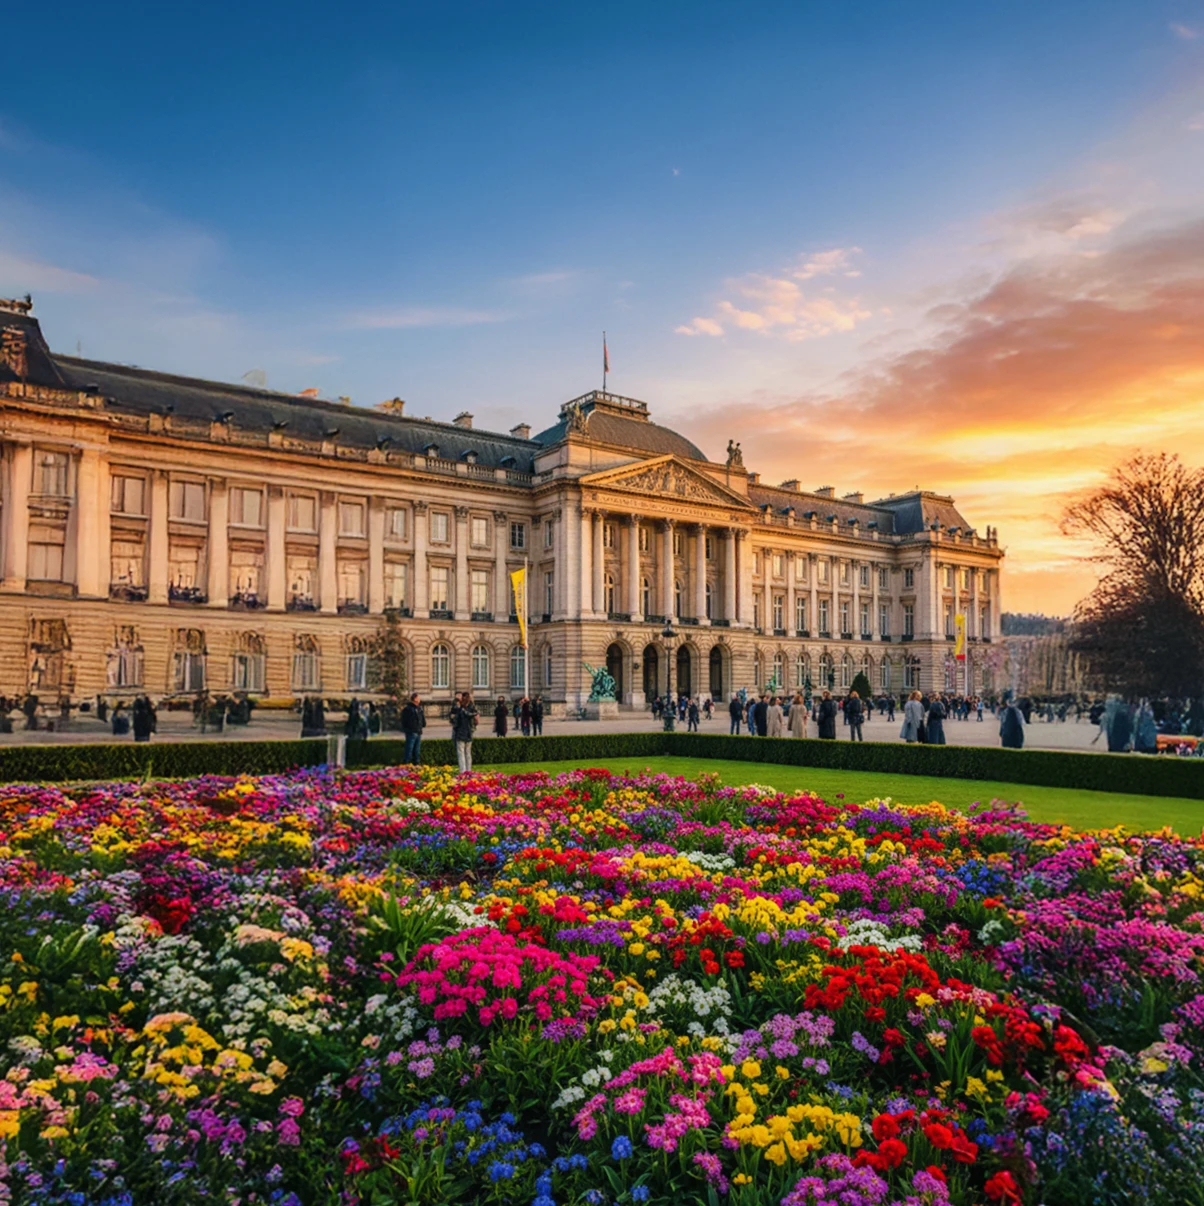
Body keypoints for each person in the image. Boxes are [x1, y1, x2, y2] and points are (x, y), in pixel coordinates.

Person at [450, 692, 479, 773]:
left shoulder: (460, 710)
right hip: (469, 733)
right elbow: (474, 719)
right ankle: (468, 770)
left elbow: (455, 722)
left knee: (461, 753)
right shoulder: (472, 709)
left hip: (460, 733)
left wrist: (453, 720)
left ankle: (463, 771)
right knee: (468, 753)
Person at [401, 692, 425, 764]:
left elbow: (422, 719)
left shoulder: (420, 708)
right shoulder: (408, 709)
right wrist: (409, 729)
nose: (419, 699)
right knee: (409, 750)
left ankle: (416, 765)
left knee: (417, 751)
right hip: (411, 732)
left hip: (418, 731)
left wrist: (422, 725)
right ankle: (406, 765)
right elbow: (404, 721)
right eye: (418, 697)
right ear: (414, 699)